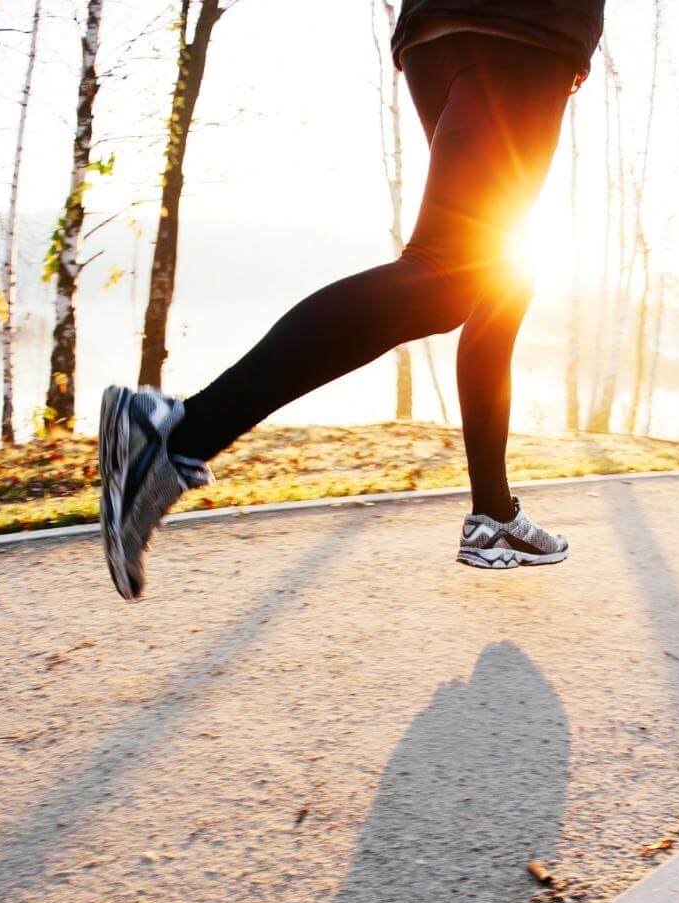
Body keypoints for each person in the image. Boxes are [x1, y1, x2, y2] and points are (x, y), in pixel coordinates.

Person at [100, 0, 607, 600]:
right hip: (520, 30)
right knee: (447, 278)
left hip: (445, 32)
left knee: (498, 275)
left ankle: (493, 516)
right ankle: (176, 434)